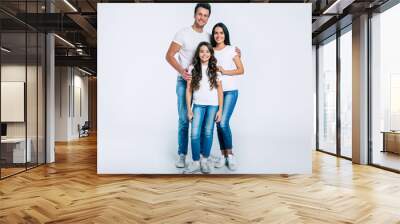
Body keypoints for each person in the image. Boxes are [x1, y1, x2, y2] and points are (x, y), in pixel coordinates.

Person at [165, 3, 212, 168]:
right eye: (200, 14)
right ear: (194, 14)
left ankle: (200, 156)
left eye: (206, 15)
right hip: (184, 82)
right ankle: (182, 154)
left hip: (203, 84)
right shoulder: (183, 33)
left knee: (201, 121)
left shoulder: (208, 36)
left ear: (208, 18)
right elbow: (169, 55)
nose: (202, 18)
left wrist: (236, 52)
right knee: (184, 119)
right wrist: (182, 71)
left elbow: (217, 52)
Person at [184, 42, 223, 174]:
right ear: (198, 53)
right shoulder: (192, 68)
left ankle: (204, 160)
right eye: (201, 51)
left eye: (207, 51)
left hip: (213, 106)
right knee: (194, 134)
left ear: (211, 54)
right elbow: (189, 90)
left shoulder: (215, 69)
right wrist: (189, 110)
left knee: (208, 133)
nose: (204, 54)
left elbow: (220, 91)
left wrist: (220, 109)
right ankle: (195, 162)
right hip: (198, 105)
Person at [211, 23, 244, 171]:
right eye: (216, 33)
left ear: (225, 35)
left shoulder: (232, 49)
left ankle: (230, 155)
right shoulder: (210, 51)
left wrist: (225, 71)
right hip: (215, 91)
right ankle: (223, 155)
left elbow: (241, 70)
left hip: (230, 91)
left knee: (223, 122)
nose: (219, 36)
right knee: (218, 123)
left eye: (221, 33)